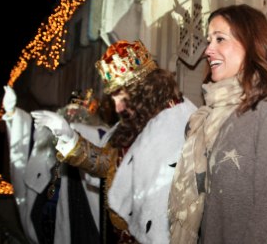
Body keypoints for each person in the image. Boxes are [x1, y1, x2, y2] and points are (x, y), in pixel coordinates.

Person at [32, 40, 196, 243]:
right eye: (114, 99)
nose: (117, 108)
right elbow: (107, 164)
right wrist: (69, 138)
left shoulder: (178, 124)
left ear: (142, 88)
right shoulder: (131, 124)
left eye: (121, 97)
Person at [168, 4, 267, 243]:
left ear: (251, 43)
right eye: (209, 41)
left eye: (220, 39)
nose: (208, 50)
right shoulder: (209, 117)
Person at [2, 86, 108, 243]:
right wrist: (13, 115)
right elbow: (30, 136)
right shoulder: (48, 132)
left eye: (77, 111)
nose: (72, 113)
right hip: (50, 197)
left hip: (81, 198)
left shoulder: (101, 133)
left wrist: (72, 134)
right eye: (69, 110)